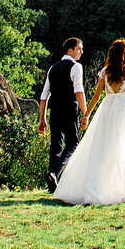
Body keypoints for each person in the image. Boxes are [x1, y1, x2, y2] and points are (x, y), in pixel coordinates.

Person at [51, 37, 125, 206]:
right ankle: (122, 187)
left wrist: (87, 115)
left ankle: (98, 186)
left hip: (106, 109)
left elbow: (97, 96)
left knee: (102, 148)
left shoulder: (104, 72)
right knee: (124, 147)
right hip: (122, 109)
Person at [37, 38, 86, 193]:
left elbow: (44, 96)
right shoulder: (76, 67)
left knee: (56, 145)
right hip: (70, 109)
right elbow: (79, 91)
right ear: (69, 50)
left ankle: (52, 184)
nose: (81, 52)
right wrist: (86, 113)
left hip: (55, 110)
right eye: (79, 49)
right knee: (72, 143)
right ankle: (55, 173)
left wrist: (42, 119)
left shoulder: (53, 68)